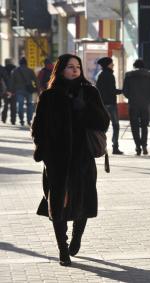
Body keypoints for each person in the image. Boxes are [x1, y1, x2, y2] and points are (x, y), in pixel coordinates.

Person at [31, 54, 110, 266]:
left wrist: (84, 107)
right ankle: (62, 249)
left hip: (83, 159)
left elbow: (103, 122)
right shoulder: (49, 96)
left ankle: (76, 236)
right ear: (60, 70)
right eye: (70, 67)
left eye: (77, 67)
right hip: (57, 160)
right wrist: (44, 151)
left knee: (82, 201)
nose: (75, 70)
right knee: (57, 204)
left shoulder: (90, 92)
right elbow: (38, 127)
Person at [123, 59, 150, 155]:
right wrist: (148, 100)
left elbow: (125, 91)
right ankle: (144, 145)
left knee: (134, 126)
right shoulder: (149, 75)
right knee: (144, 126)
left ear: (134, 66)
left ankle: (137, 146)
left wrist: (131, 97)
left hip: (133, 104)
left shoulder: (129, 76)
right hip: (145, 105)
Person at [96, 57, 123, 154]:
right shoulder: (110, 75)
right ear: (108, 65)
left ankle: (100, 145)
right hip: (111, 104)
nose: (113, 65)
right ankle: (115, 147)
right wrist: (122, 91)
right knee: (115, 125)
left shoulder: (99, 75)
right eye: (112, 63)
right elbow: (112, 91)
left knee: (104, 127)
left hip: (103, 104)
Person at [11, 57, 38, 126]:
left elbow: (12, 82)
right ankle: (29, 120)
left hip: (19, 90)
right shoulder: (30, 70)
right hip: (28, 90)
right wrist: (37, 88)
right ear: (26, 63)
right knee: (30, 105)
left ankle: (21, 120)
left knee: (20, 105)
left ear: (19, 63)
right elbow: (36, 80)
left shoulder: (15, 71)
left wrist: (12, 91)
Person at [1, 59, 16, 124]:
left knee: (5, 105)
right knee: (13, 106)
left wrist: (6, 90)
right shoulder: (16, 70)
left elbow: (3, 81)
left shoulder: (2, 70)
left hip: (5, 91)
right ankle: (13, 120)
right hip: (14, 91)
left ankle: (4, 119)